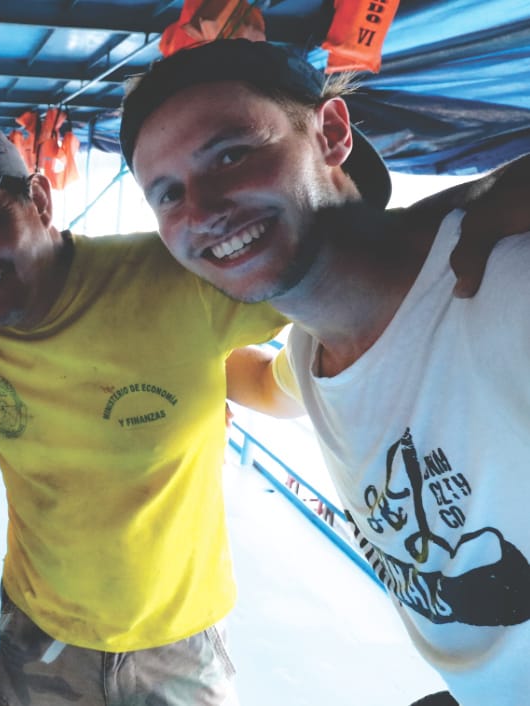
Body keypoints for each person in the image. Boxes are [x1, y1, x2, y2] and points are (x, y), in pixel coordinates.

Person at [121, 38, 530, 705]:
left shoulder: (502, 289)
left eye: (232, 154)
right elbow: (260, 384)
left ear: (332, 132)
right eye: (167, 195)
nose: (202, 210)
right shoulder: (314, 355)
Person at [0, 122, 290, 704]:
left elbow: (334, 273)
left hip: (181, 641)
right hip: (41, 635)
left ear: (39, 199)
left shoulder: (176, 279)